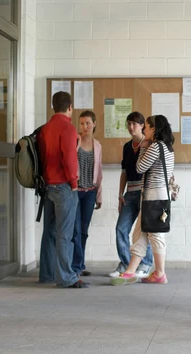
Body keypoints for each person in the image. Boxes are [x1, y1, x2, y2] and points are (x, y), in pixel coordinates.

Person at [111, 114, 175, 286]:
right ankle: (130, 271)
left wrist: (143, 147)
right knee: (140, 234)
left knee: (155, 234)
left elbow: (139, 168)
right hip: (154, 196)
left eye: (146, 127)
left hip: (153, 196)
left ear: (154, 129)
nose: (144, 130)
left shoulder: (155, 147)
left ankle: (160, 273)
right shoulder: (166, 147)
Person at [38, 91, 87, 288]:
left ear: (53, 106)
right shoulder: (68, 128)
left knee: (49, 232)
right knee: (65, 234)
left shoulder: (44, 129)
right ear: (70, 107)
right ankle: (66, 277)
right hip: (64, 186)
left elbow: (42, 158)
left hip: (48, 186)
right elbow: (68, 159)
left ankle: (47, 274)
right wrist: (74, 184)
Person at [108, 112, 154, 279]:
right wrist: (120, 193)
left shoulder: (149, 144)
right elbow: (124, 172)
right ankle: (126, 264)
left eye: (134, 123)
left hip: (145, 193)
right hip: (130, 193)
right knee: (121, 228)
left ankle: (146, 264)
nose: (131, 127)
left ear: (142, 125)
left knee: (145, 230)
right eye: (129, 123)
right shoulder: (127, 147)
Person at [71, 110, 103, 277]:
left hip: (90, 192)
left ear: (94, 124)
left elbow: (99, 173)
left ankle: (80, 264)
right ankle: (75, 266)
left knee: (83, 230)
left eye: (88, 123)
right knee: (75, 230)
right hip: (75, 192)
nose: (84, 127)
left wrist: (99, 196)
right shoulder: (74, 140)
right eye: (82, 123)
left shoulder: (97, 146)